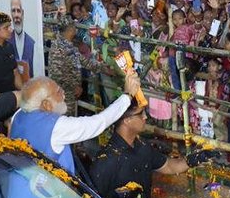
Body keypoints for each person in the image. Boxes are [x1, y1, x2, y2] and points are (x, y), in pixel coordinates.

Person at [89, 99, 221, 198]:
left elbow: (169, 166)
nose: (145, 117)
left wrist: (196, 158)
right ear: (127, 120)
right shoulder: (106, 160)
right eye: (140, 113)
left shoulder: (142, 146)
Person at [9, 74, 140, 175]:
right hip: (47, 195)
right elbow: (98, 122)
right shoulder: (56, 127)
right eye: (58, 92)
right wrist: (127, 96)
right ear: (46, 105)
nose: (64, 94)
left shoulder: (18, 115)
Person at [10, 0, 37, 76]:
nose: (16, 15)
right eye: (13, 11)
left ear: (23, 13)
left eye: (18, 11)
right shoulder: (6, 41)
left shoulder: (31, 42)